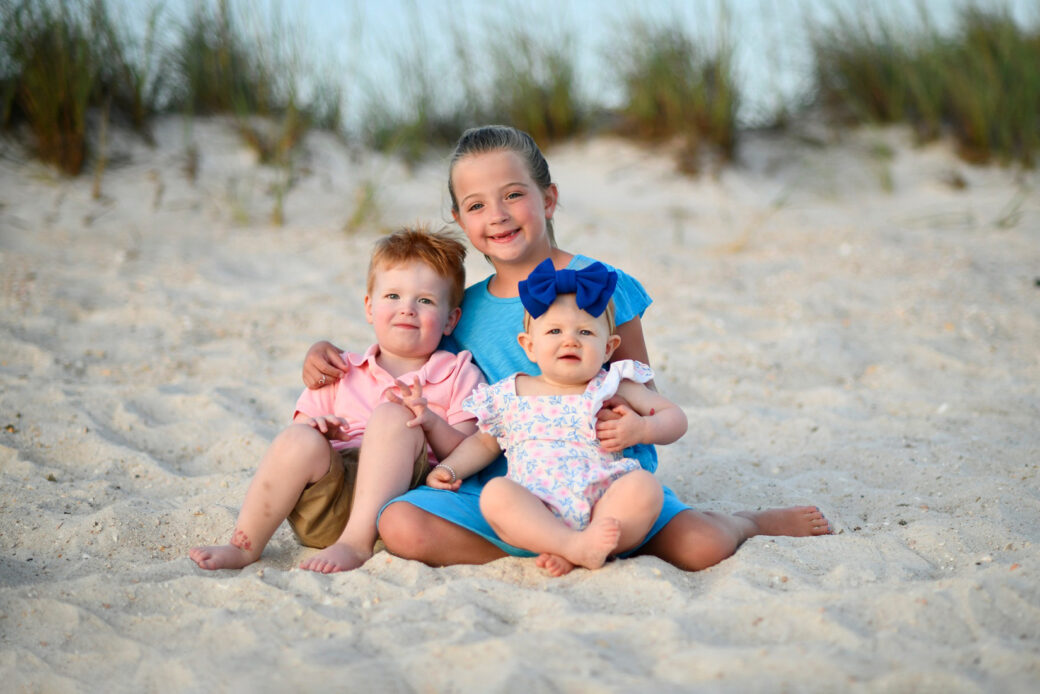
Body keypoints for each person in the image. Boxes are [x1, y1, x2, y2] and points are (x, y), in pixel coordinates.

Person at [303, 125, 832, 574]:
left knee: (702, 548)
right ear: (461, 220)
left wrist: (634, 426)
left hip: (601, 479)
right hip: (511, 486)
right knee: (400, 525)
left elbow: (640, 386)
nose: (498, 215)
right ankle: (557, 543)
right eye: (476, 205)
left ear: (548, 198)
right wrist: (327, 353)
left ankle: (745, 521)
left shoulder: (600, 283)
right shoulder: (462, 308)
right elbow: (401, 350)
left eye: (514, 194)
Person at [190, 227, 484, 573]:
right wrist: (318, 430)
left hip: (397, 504)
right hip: (329, 502)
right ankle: (244, 545)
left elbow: (466, 453)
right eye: (392, 296)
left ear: (451, 320)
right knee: (298, 437)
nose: (407, 309)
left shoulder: (458, 372)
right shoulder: (341, 369)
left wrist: (430, 422)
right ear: (369, 307)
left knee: (393, 416)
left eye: (425, 300)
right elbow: (293, 448)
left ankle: (355, 545)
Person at [425, 259, 687, 576]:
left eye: (585, 331)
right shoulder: (511, 392)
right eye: (554, 331)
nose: (570, 340)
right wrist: (449, 468)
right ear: (530, 346)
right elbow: (483, 443)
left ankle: (579, 547)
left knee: (645, 487)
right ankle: (571, 545)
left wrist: (643, 428)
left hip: (605, 504)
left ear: (608, 348)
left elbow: (675, 418)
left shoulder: (613, 384)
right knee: (496, 495)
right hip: (536, 506)